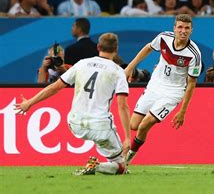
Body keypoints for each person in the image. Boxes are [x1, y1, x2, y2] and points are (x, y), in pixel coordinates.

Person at [15, 33, 131, 176]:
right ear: (116, 49)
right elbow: (122, 105)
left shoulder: (82, 63)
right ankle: (97, 165)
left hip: (75, 124)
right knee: (121, 166)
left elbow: (54, 87)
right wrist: (127, 137)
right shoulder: (118, 71)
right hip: (100, 126)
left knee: (110, 154)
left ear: (98, 47)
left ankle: (106, 161)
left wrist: (29, 103)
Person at [124, 14, 202, 166]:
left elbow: (191, 83)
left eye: (187, 28)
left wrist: (182, 111)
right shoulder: (164, 38)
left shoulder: (194, 54)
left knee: (145, 124)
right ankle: (127, 153)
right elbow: (148, 48)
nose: (183, 31)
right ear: (174, 28)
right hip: (155, 86)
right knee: (133, 125)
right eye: (180, 27)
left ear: (191, 30)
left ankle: (127, 157)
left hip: (173, 93)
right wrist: (129, 67)